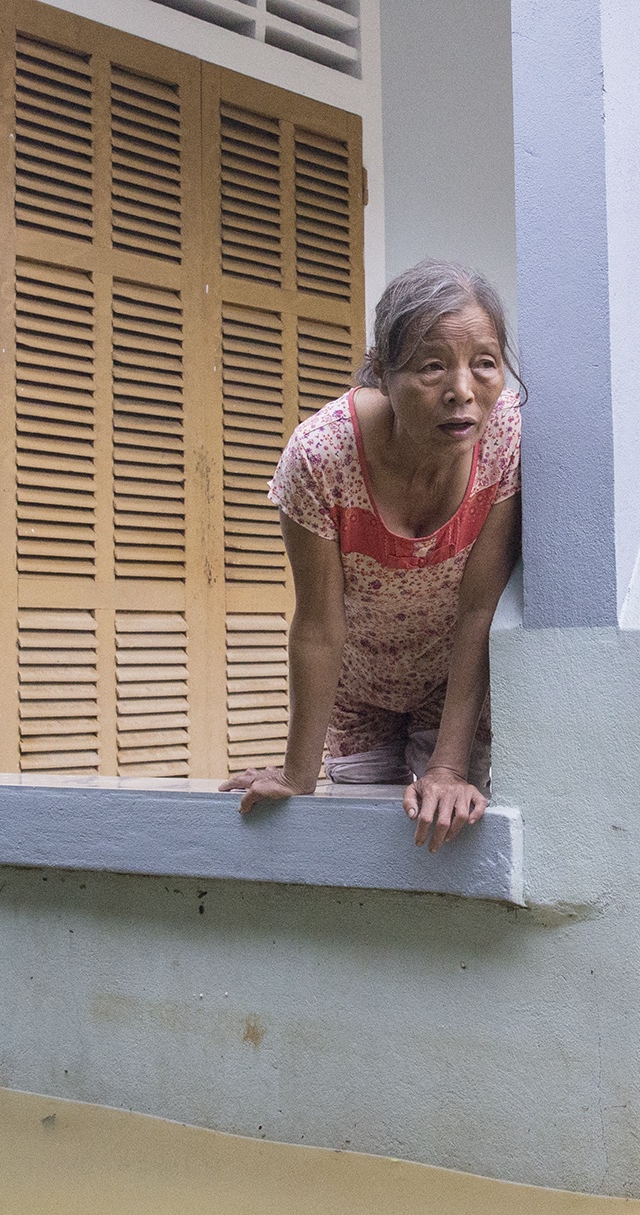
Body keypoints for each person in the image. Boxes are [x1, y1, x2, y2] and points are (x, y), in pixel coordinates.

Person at [220, 261, 522, 851]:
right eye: (432, 366)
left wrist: (448, 767)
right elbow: (318, 625)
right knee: (360, 845)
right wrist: (296, 776)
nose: (462, 389)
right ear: (383, 372)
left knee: (450, 833)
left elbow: (479, 609)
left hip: (453, 681)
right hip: (357, 690)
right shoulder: (320, 457)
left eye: (483, 362)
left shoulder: (505, 432)